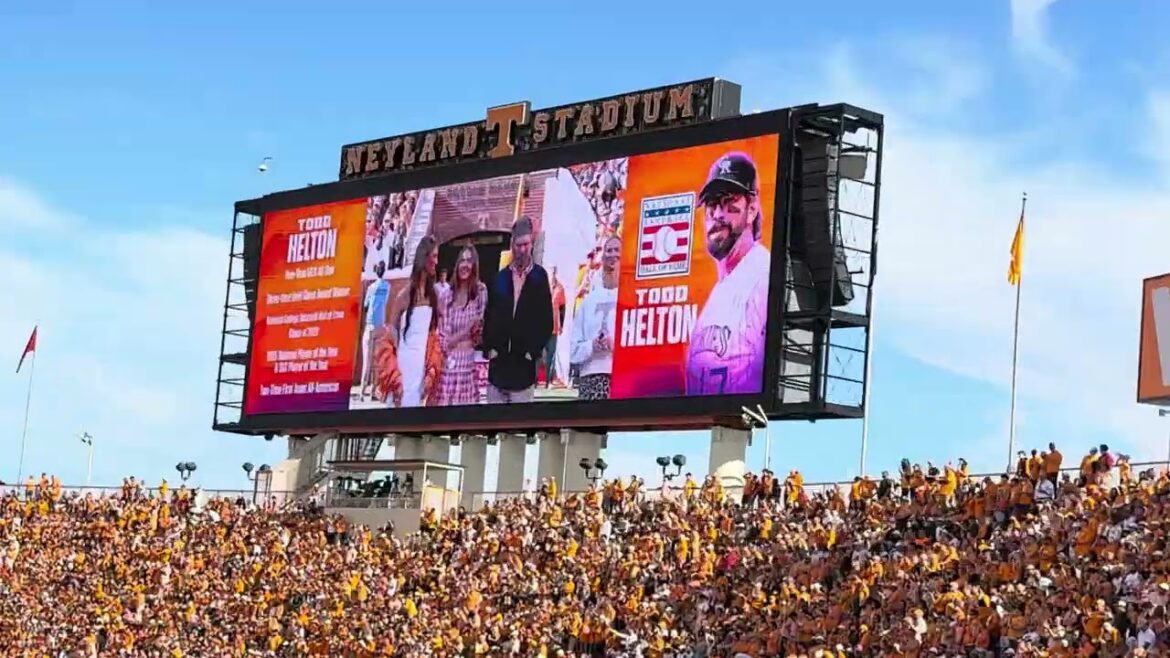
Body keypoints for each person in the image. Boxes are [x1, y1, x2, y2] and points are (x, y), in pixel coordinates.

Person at [685, 152, 770, 396]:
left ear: (752, 209)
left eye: (729, 202)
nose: (718, 215)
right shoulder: (720, 290)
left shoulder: (763, 275)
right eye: (712, 205)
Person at [482, 216, 553, 403]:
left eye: (526, 245)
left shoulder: (539, 277)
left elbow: (546, 320)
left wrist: (532, 352)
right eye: (518, 245)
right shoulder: (499, 278)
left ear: (532, 243)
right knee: (493, 427)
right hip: (498, 368)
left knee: (519, 429)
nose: (522, 250)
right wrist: (490, 348)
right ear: (512, 245)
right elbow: (488, 316)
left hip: (523, 369)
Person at [375, 236, 443, 407]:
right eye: (433, 256)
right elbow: (390, 335)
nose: (437, 261)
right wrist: (393, 373)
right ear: (424, 257)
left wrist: (431, 370)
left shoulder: (434, 296)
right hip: (404, 365)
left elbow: (434, 336)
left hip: (423, 366)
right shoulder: (403, 296)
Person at [436, 245, 486, 406]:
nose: (465, 265)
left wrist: (471, 335)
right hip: (449, 371)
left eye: (469, 261)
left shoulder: (480, 292)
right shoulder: (446, 295)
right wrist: (466, 330)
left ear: (474, 266)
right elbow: (445, 342)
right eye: (462, 261)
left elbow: (477, 337)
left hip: (468, 370)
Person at [571, 235, 620, 400]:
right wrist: (592, 345)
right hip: (590, 377)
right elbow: (573, 348)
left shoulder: (630, 298)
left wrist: (615, 345)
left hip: (619, 376)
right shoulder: (590, 300)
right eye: (609, 250)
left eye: (617, 250)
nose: (613, 254)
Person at [359, 261, 390, 401]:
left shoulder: (371, 287)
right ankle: (372, 392)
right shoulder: (387, 287)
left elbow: (365, 305)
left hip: (370, 325)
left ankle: (361, 392)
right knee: (377, 361)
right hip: (380, 326)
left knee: (367, 360)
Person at [543, 267, 567, 388]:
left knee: (551, 355)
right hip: (541, 327)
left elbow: (562, 308)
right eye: (550, 272)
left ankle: (548, 381)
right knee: (539, 354)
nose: (552, 274)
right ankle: (535, 381)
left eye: (554, 272)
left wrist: (561, 325)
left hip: (554, 327)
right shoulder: (542, 286)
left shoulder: (560, 288)